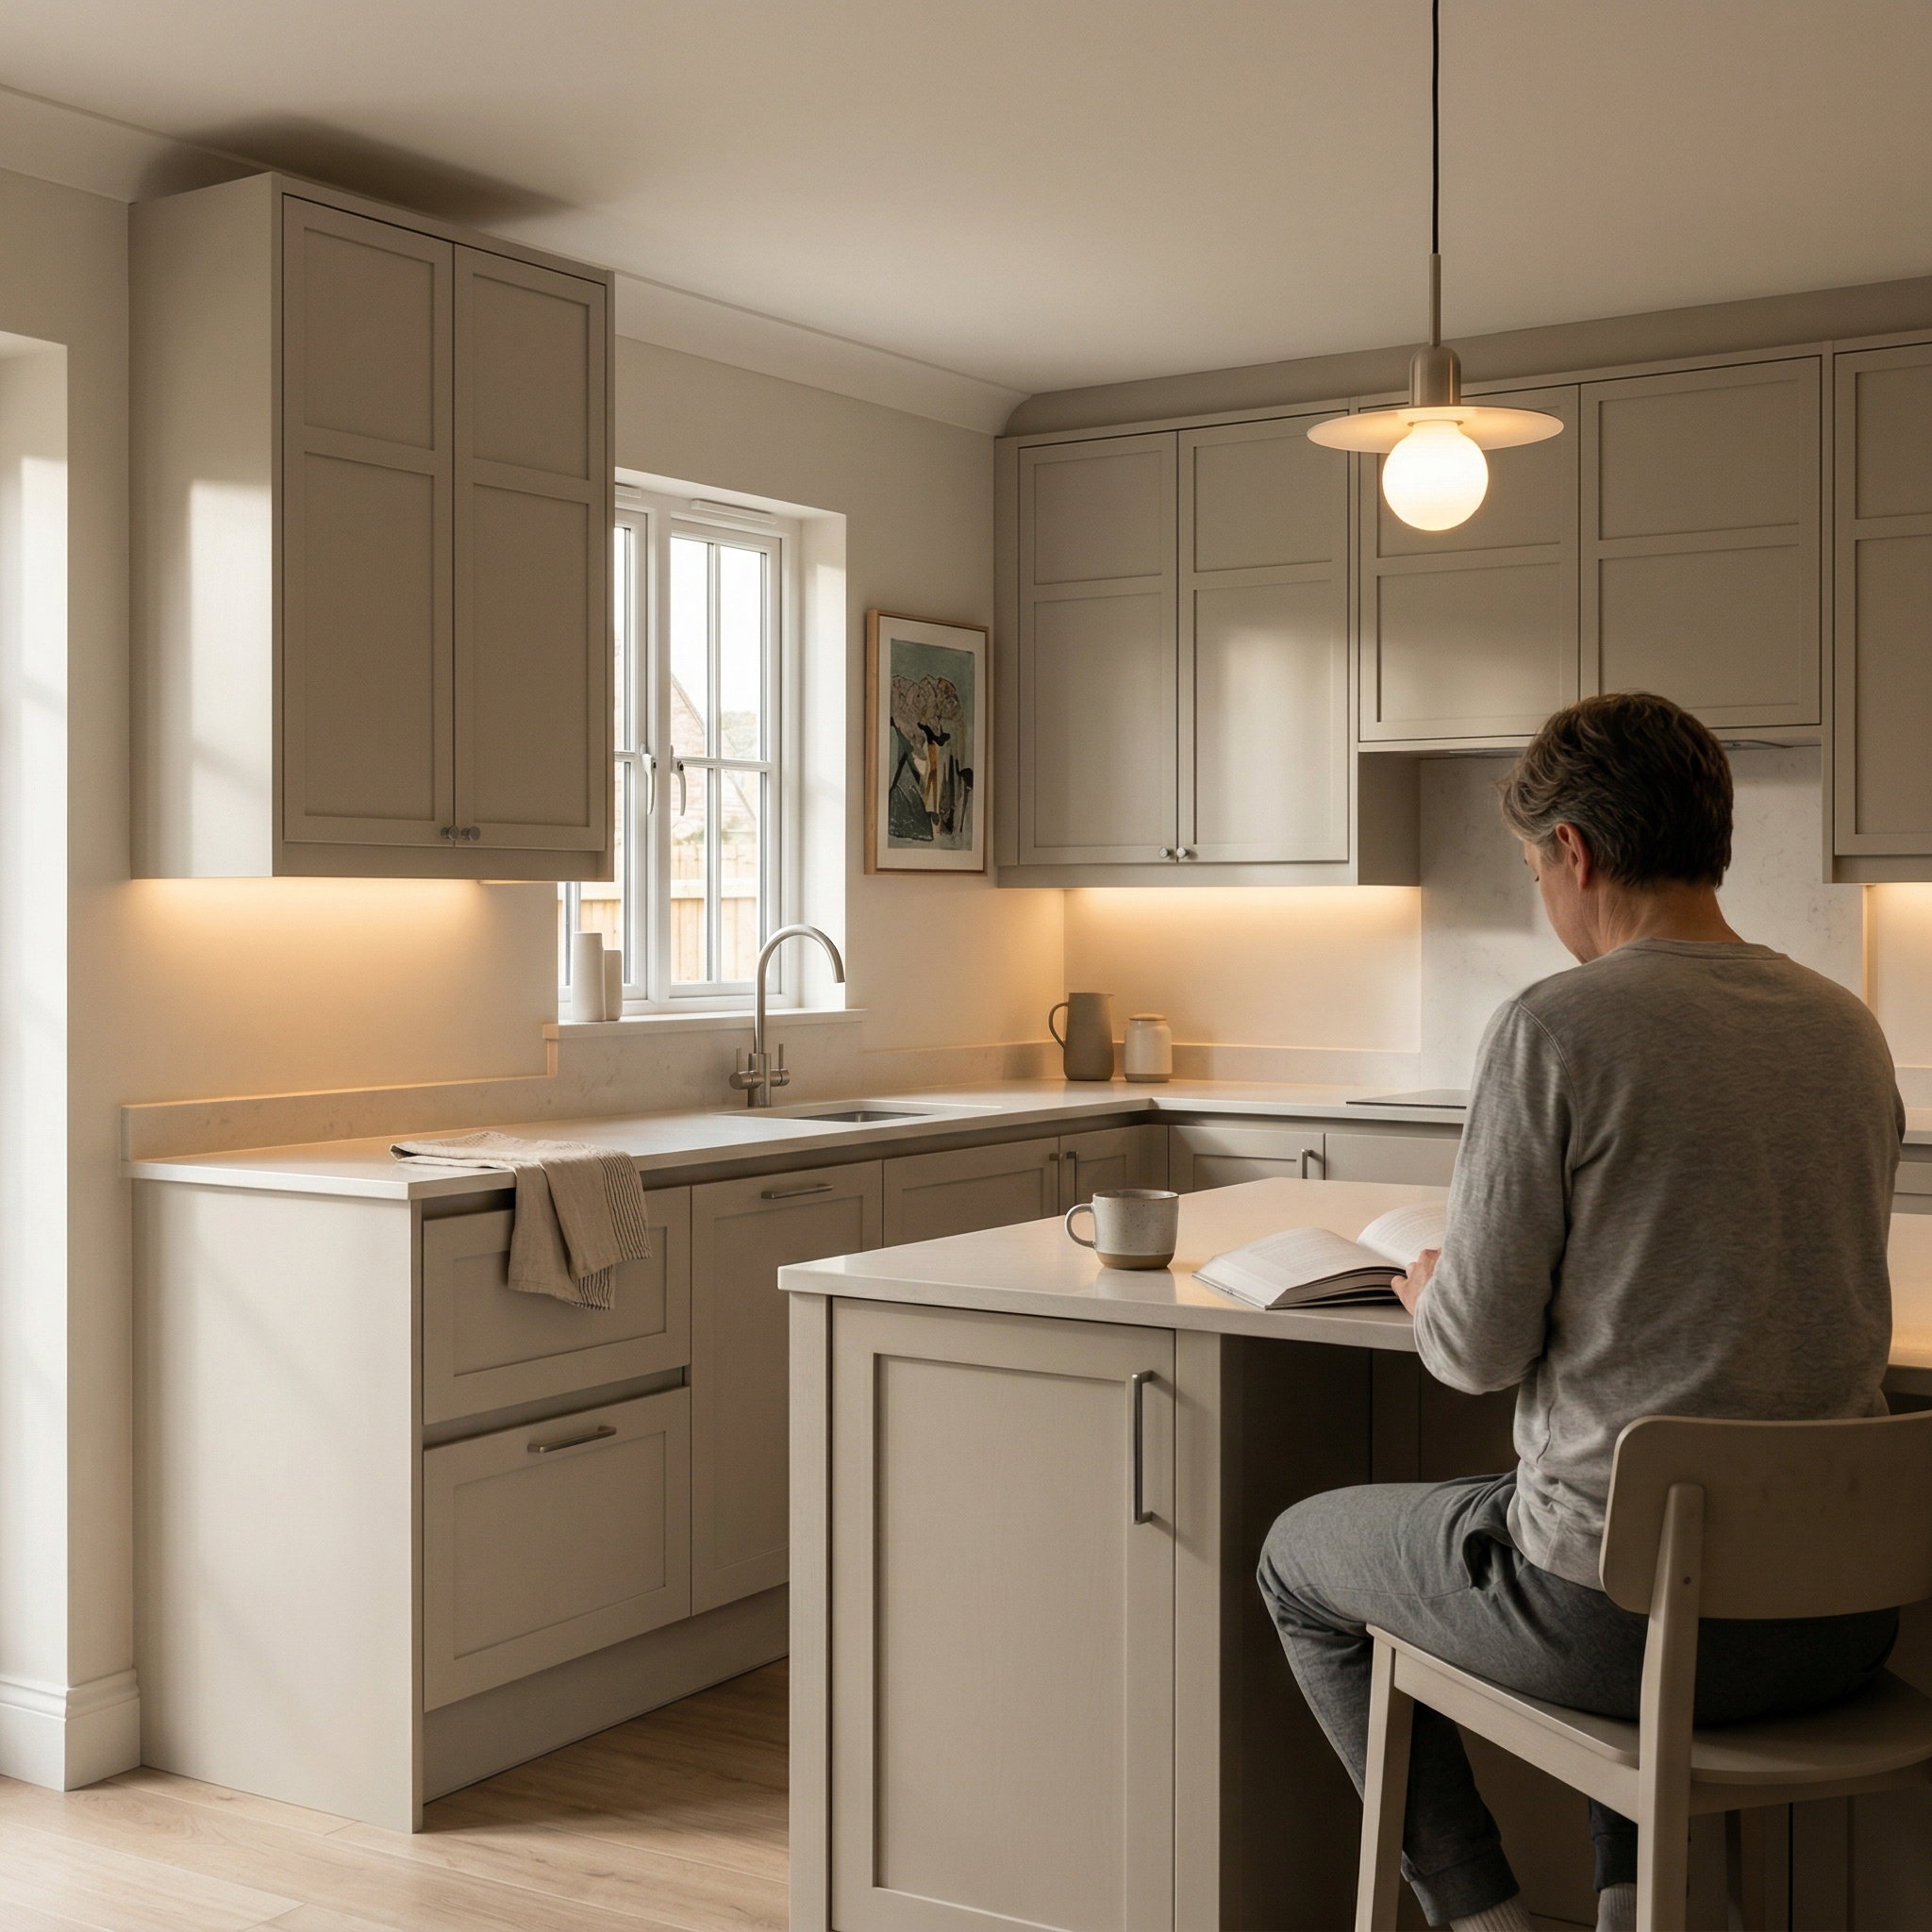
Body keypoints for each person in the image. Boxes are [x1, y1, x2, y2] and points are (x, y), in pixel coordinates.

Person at [1257, 691, 1905, 1932]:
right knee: (1637, 1505)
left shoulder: (1556, 1028)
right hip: (1841, 1621)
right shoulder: (1848, 1028)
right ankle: (1633, 1898)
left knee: (1301, 1559)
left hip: (1622, 1629)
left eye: (1531, 865)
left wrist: (1437, 1287)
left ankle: (1481, 1914)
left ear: (1577, 853)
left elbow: (1476, 1355)